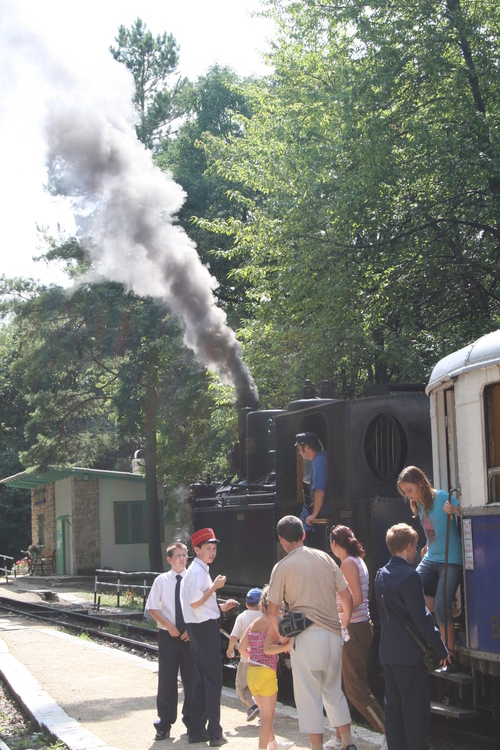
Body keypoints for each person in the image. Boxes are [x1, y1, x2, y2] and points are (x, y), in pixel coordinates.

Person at [268, 515, 357, 750]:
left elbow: (272, 611)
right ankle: (348, 743)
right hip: (333, 637)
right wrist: (345, 622)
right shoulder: (325, 558)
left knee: (309, 698)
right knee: (334, 692)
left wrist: (282, 635)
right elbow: (347, 595)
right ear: (304, 535)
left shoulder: (282, 567)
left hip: (306, 638)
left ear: (281, 540)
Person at [375, 523, 449, 750]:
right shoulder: (410, 576)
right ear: (408, 546)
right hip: (409, 655)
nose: (416, 551)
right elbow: (422, 618)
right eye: (415, 547)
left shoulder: (381, 575)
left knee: (393, 709)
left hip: (387, 652)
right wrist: (441, 649)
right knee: (415, 712)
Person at [326, 526, 386, 750]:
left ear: (334, 544)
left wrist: (332, 611)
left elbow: (356, 598)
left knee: (356, 690)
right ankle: (340, 738)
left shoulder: (348, 564)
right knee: (342, 686)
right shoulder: (356, 561)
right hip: (356, 628)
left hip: (353, 629)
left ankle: (391, 734)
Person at [397, 466, 462, 664]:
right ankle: (448, 612)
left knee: (440, 609)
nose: (408, 495)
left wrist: (454, 510)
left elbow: (465, 514)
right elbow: (433, 530)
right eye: (405, 492)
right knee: (408, 590)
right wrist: (427, 545)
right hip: (431, 559)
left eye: (409, 490)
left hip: (450, 560)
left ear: (420, 483)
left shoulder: (441, 497)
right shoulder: (419, 505)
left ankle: (449, 656)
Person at [180, 527, 239, 747]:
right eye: (208, 548)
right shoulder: (197, 572)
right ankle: (215, 733)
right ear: (197, 550)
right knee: (213, 680)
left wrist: (219, 607)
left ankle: (196, 729)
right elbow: (196, 602)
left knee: (203, 679)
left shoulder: (198, 569)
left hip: (199, 627)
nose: (212, 552)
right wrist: (215, 587)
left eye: (214, 548)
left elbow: (199, 604)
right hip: (204, 629)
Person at [146, 541, 196, 741]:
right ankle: (164, 723)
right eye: (178, 555)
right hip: (168, 635)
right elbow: (153, 607)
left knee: (192, 678)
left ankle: (192, 720)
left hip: (189, 634)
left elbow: (200, 605)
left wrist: (190, 629)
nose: (182, 559)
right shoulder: (161, 581)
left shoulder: (193, 578)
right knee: (167, 679)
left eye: (185, 555)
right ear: (169, 559)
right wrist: (169, 625)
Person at [238, 586, 294, 750]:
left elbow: (241, 648)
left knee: (264, 715)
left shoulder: (254, 623)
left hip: (252, 674)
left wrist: (255, 659)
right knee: (267, 719)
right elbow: (268, 649)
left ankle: (274, 745)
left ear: (262, 604)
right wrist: (287, 646)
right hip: (265, 674)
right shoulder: (272, 622)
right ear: (278, 605)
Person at [226, 587, 263, 722]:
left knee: (242, 687)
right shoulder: (265, 617)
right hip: (264, 660)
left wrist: (230, 648)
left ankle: (253, 706)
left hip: (247, 659)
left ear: (246, 604)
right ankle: (265, 713)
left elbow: (234, 636)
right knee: (262, 688)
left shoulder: (242, 617)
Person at [295, 432, 331, 528]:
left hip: (326, 512)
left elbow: (320, 492)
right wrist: (315, 502)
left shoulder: (318, 461)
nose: (299, 452)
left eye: (299, 449)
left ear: (307, 448)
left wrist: (313, 515)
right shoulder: (323, 456)